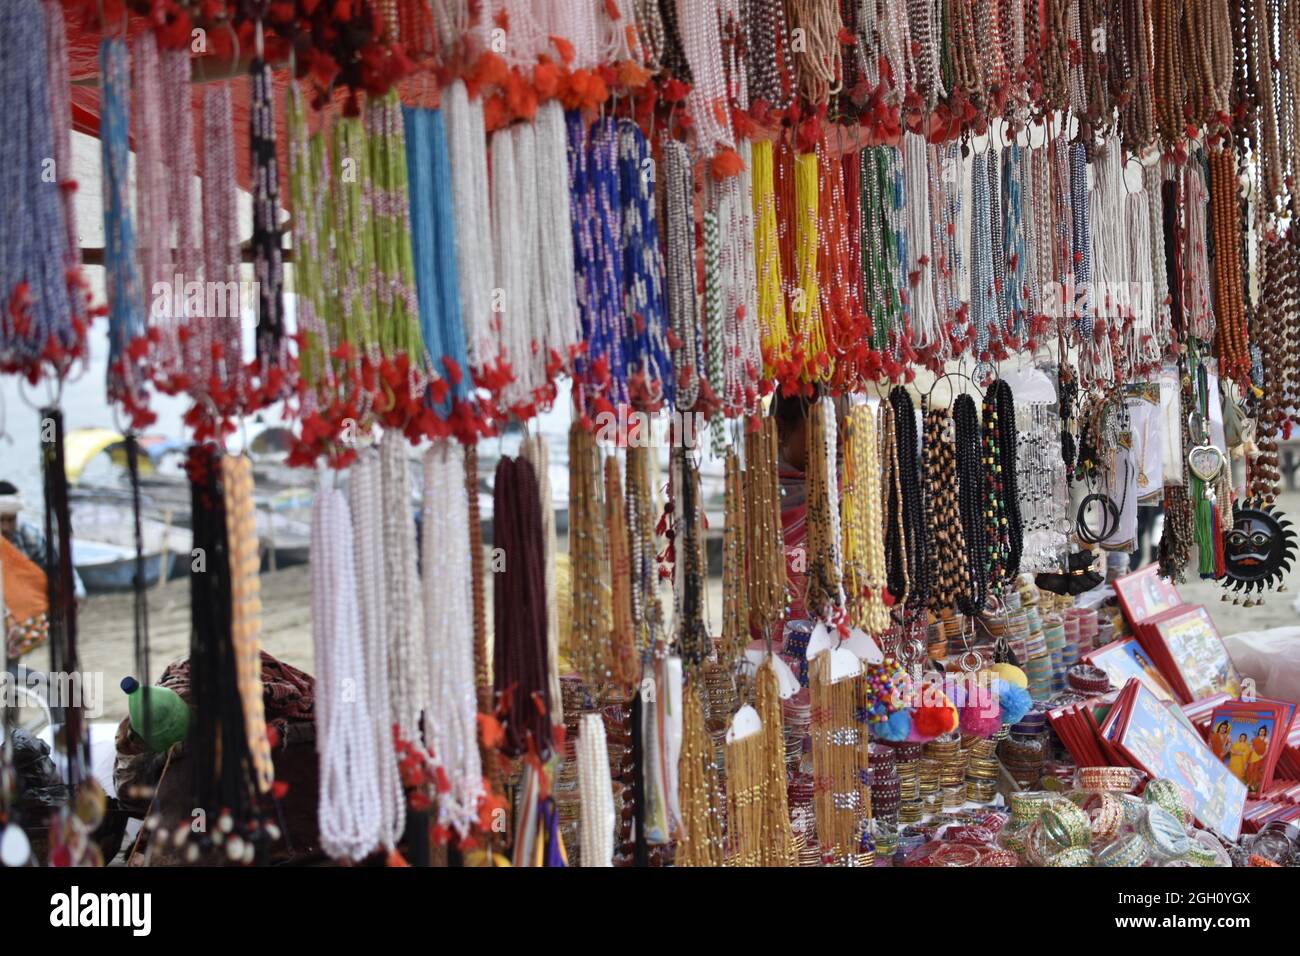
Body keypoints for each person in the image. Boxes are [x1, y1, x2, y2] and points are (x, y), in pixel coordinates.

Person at [0, 481, 84, 602]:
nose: (5, 527)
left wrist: (76, 592)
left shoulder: (29, 535)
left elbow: (57, 567)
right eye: (1, 520)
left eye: (11, 520)